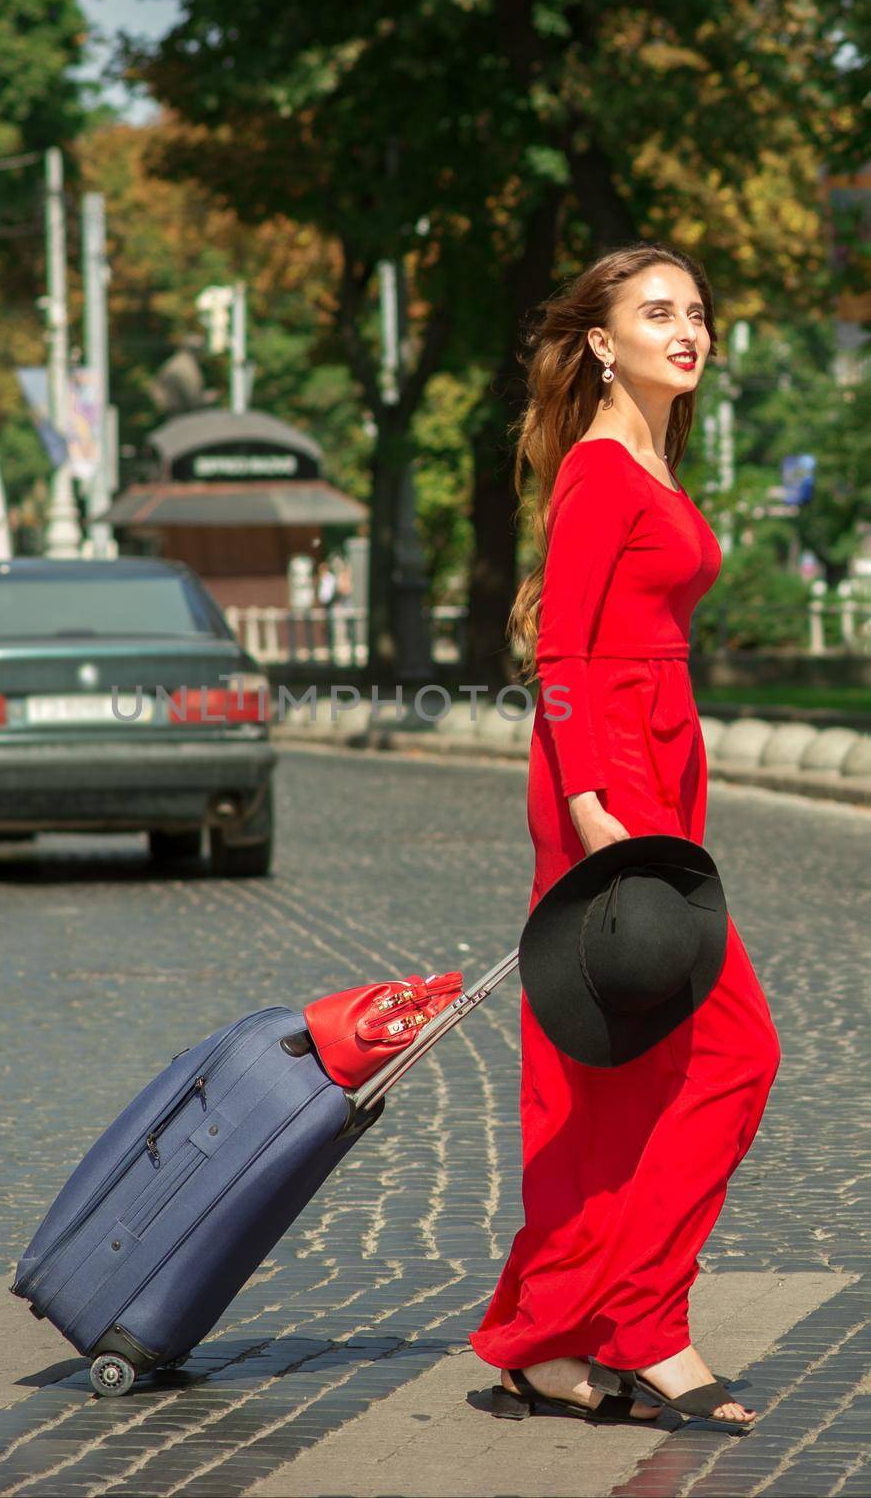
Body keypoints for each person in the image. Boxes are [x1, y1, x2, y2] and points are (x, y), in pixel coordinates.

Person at [467, 242, 782, 1430]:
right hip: (611, 785)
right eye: (656, 312)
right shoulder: (603, 469)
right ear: (600, 341)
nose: (685, 328)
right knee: (733, 1052)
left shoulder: (649, 453)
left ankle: (545, 1338)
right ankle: (646, 1325)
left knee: (617, 1079)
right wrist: (599, 809)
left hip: (651, 770)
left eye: (695, 309)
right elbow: (559, 655)